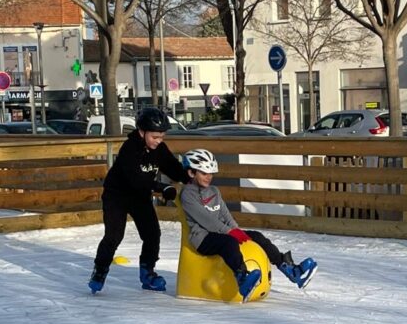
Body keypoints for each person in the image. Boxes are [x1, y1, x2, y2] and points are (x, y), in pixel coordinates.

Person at [180, 148, 317, 302]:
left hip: (222, 232)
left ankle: (290, 270)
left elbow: (225, 214)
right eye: (204, 173)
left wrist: (236, 229)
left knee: (256, 236)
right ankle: (242, 278)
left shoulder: (214, 191)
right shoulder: (187, 195)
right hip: (203, 238)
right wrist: (230, 233)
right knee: (229, 242)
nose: (209, 177)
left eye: (211, 173)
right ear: (192, 173)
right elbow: (207, 221)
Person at [88, 107, 188, 293]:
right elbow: (135, 179)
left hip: (140, 196)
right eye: (154, 137)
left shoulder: (159, 149)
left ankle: (147, 273)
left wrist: (190, 178)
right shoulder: (129, 149)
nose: (159, 141)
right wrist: (161, 187)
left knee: (152, 234)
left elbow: (173, 167)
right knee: (114, 235)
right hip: (117, 195)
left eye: (162, 137)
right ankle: (100, 270)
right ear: (142, 132)